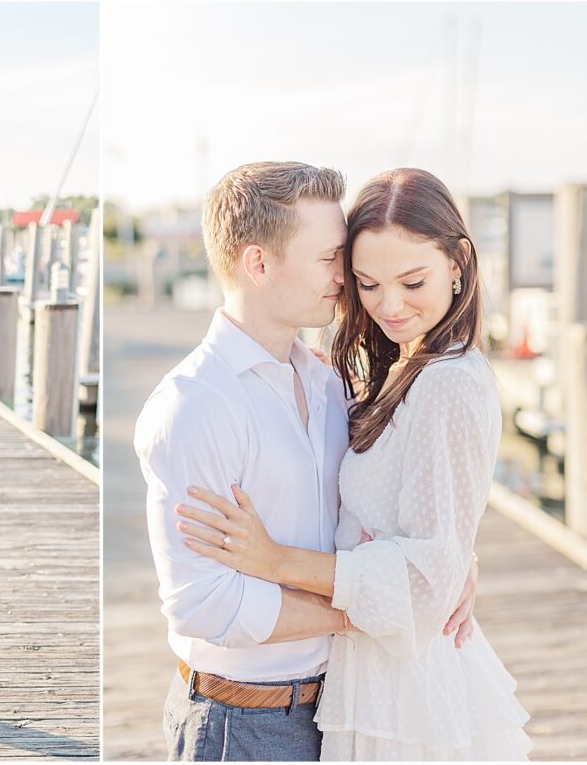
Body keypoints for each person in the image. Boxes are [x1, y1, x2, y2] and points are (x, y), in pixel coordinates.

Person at [179, 168, 531, 759]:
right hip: (369, 675)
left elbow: (424, 579)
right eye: (366, 284)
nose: (389, 306)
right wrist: (454, 554)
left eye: (412, 281)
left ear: (459, 264)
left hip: (405, 689)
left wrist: (275, 560)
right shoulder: (387, 367)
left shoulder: (447, 382)